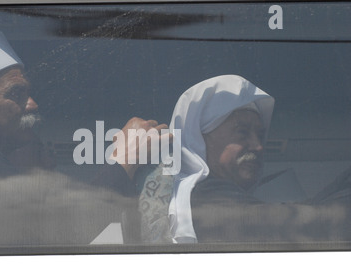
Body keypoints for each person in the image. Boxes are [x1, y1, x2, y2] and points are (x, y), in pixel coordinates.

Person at [0, 30, 168, 190]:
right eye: (16, 94)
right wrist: (126, 157)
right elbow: (64, 229)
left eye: (28, 93)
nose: (32, 104)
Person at [139, 75, 351, 245]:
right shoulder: (206, 200)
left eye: (259, 135)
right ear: (199, 140)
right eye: (242, 133)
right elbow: (307, 225)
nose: (258, 146)